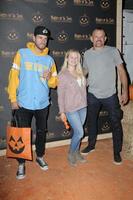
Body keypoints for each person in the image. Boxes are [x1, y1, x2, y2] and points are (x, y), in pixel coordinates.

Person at [7, 25, 58, 179]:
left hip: (42, 104)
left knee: (41, 132)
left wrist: (50, 77)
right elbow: (13, 77)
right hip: (24, 103)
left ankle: (40, 156)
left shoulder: (49, 60)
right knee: (22, 134)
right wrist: (13, 99)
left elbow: (54, 83)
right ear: (34, 38)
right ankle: (21, 163)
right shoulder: (22, 54)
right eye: (40, 38)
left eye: (45, 39)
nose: (43, 41)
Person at [81, 28, 128, 165]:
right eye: (96, 37)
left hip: (110, 94)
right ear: (91, 38)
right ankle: (91, 145)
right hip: (92, 94)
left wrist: (125, 91)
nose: (99, 39)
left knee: (116, 123)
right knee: (91, 122)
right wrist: (76, 78)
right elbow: (85, 71)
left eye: (101, 37)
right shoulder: (87, 54)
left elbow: (122, 71)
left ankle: (116, 152)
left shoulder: (113, 51)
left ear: (105, 38)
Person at [57, 49, 87, 166]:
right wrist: (62, 112)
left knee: (77, 132)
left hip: (83, 107)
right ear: (67, 59)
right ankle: (70, 153)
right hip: (71, 108)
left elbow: (82, 89)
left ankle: (76, 152)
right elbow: (60, 95)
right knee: (80, 133)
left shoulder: (81, 72)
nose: (74, 60)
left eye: (76, 58)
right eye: (71, 57)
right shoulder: (62, 74)